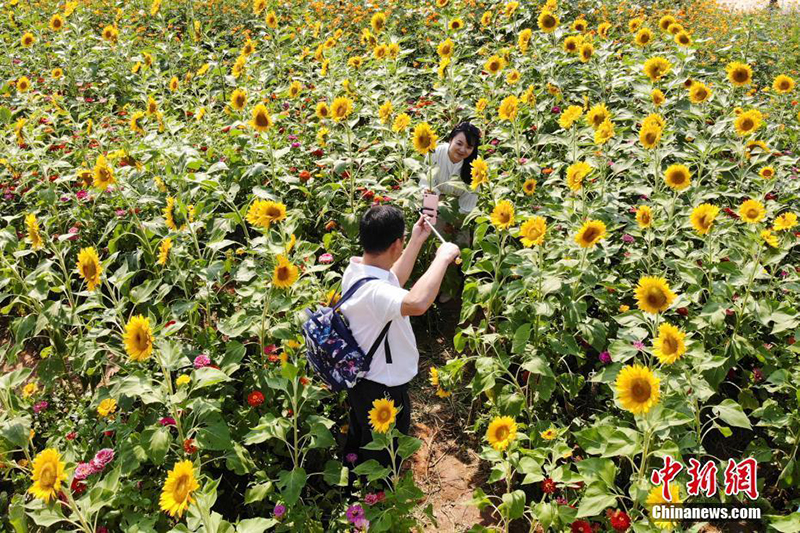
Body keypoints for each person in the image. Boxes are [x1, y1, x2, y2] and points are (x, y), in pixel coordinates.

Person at [339, 205, 460, 476]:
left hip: (362, 379)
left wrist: (417, 239)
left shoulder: (358, 271)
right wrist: (441, 258)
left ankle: (350, 483)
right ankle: (378, 498)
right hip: (382, 388)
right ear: (396, 243)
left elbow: (393, 281)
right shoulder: (375, 293)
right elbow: (417, 303)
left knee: (361, 435)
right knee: (385, 452)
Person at [419, 121, 481, 301]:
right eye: (459, 143)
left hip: (460, 212)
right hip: (434, 204)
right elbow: (427, 184)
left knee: (459, 248)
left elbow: (469, 202)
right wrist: (436, 210)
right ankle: (432, 286)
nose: (462, 150)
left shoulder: (475, 168)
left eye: (469, 147)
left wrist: (455, 224)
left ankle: (451, 285)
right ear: (451, 139)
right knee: (432, 242)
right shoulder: (436, 152)